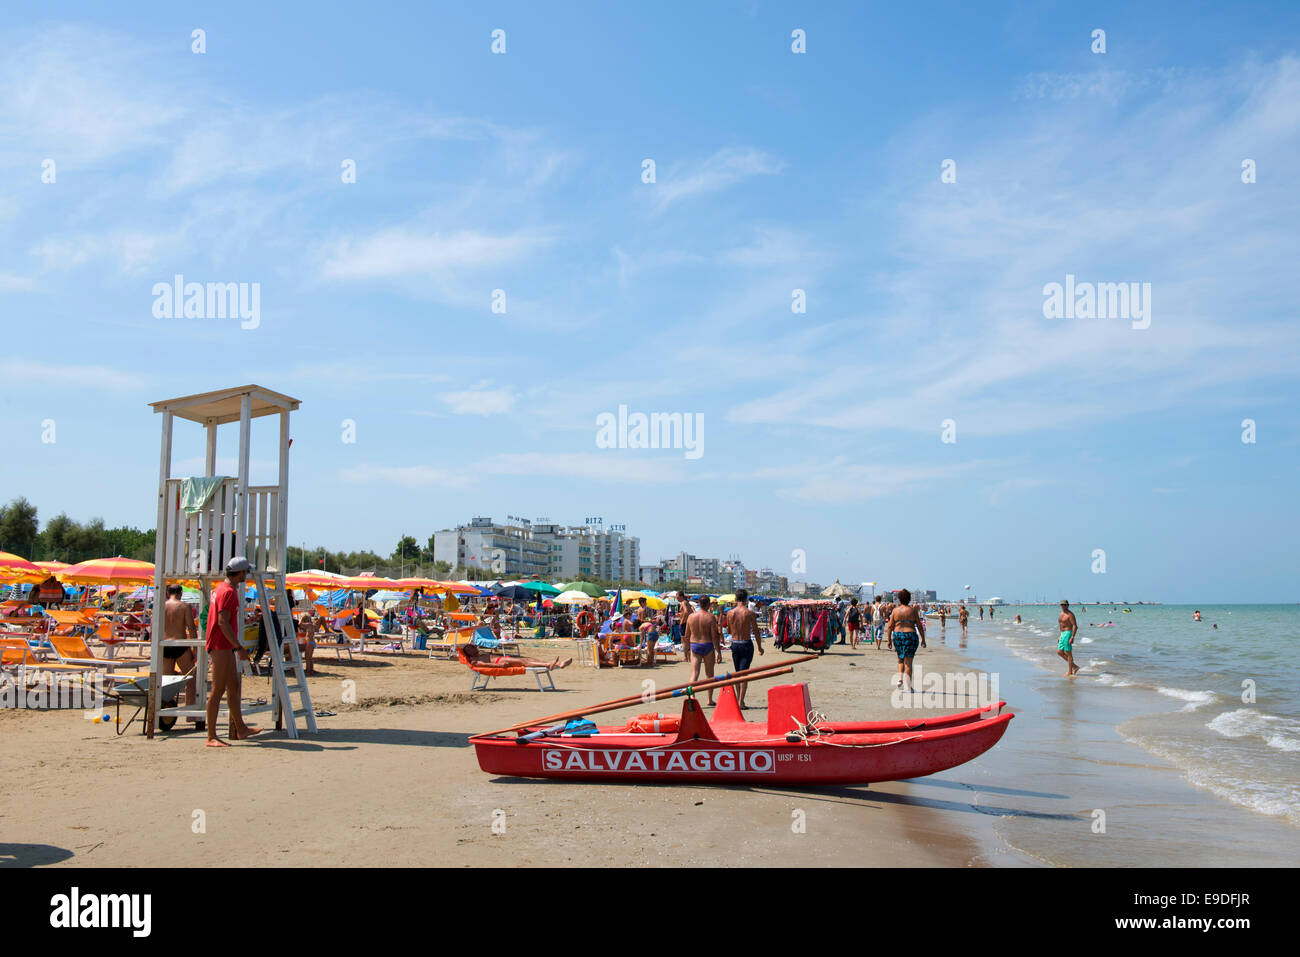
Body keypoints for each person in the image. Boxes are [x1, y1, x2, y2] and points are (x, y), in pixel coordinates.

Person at [205, 557, 261, 747]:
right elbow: (223, 622)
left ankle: (241, 727)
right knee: (218, 690)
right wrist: (239, 647)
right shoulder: (229, 592)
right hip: (221, 645)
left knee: (233, 687)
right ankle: (211, 736)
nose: (247, 575)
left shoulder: (221, 588)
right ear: (241, 573)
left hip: (223, 645)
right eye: (246, 572)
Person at [724, 589, 764, 708]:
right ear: (746, 599)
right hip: (746, 643)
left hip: (735, 643)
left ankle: (738, 700)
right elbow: (756, 631)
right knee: (744, 674)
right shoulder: (749, 613)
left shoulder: (730, 613)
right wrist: (760, 647)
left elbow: (729, 630)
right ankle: (741, 702)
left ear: (736, 599)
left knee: (737, 673)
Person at [161, 584, 197, 707]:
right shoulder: (184, 606)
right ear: (181, 593)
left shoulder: (161, 606)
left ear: (167, 593)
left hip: (165, 645)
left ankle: (165, 713)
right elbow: (191, 628)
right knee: (191, 680)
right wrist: (195, 649)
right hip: (180, 644)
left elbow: (154, 628)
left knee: (166, 682)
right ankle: (190, 712)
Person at [685, 595, 723, 705]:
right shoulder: (710, 617)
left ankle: (692, 696)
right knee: (709, 674)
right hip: (708, 645)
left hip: (695, 645)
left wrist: (688, 649)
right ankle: (709, 699)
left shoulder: (691, 617)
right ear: (708, 604)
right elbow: (714, 636)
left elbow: (687, 635)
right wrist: (719, 652)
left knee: (694, 673)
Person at [885, 588, 926, 690]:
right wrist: (923, 639)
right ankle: (908, 687)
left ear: (899, 599)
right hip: (910, 635)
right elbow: (919, 626)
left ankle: (900, 679)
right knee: (908, 661)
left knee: (900, 658)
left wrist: (889, 640)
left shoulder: (895, 611)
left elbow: (890, 626)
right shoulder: (912, 610)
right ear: (909, 599)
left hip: (898, 635)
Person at [461, 642, 572, 670]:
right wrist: (500, 666)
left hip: (501, 659)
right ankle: (549, 664)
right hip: (499, 662)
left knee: (527, 659)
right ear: (468, 653)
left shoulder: (478, 654)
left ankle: (557, 664)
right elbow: (486, 665)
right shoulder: (474, 660)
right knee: (524, 662)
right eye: (470, 647)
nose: (473, 647)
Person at [1057, 599, 1080, 676]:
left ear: (1067, 605)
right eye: (1061, 605)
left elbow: (1075, 626)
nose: (1063, 606)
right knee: (1059, 652)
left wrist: (1072, 637)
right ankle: (1075, 667)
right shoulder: (1061, 613)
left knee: (1068, 653)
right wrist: (1060, 635)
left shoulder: (1070, 614)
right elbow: (1061, 625)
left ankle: (1070, 671)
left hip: (1068, 633)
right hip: (1062, 634)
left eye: (1064, 605)